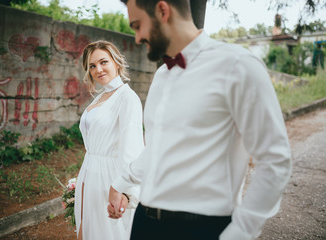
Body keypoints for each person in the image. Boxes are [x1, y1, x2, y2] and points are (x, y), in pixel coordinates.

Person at [108, 0, 292, 240]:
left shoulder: (238, 65)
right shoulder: (162, 75)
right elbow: (158, 149)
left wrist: (240, 232)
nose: (137, 38)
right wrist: (120, 182)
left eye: (137, 25)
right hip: (145, 222)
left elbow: (275, 160)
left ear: (163, 11)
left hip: (202, 228)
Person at [75, 40, 144, 240]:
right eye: (92, 66)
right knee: (84, 232)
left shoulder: (127, 98)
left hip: (110, 179)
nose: (98, 69)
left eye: (104, 62)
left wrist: (124, 191)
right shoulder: (101, 97)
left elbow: (132, 148)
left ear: (117, 63)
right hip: (89, 174)